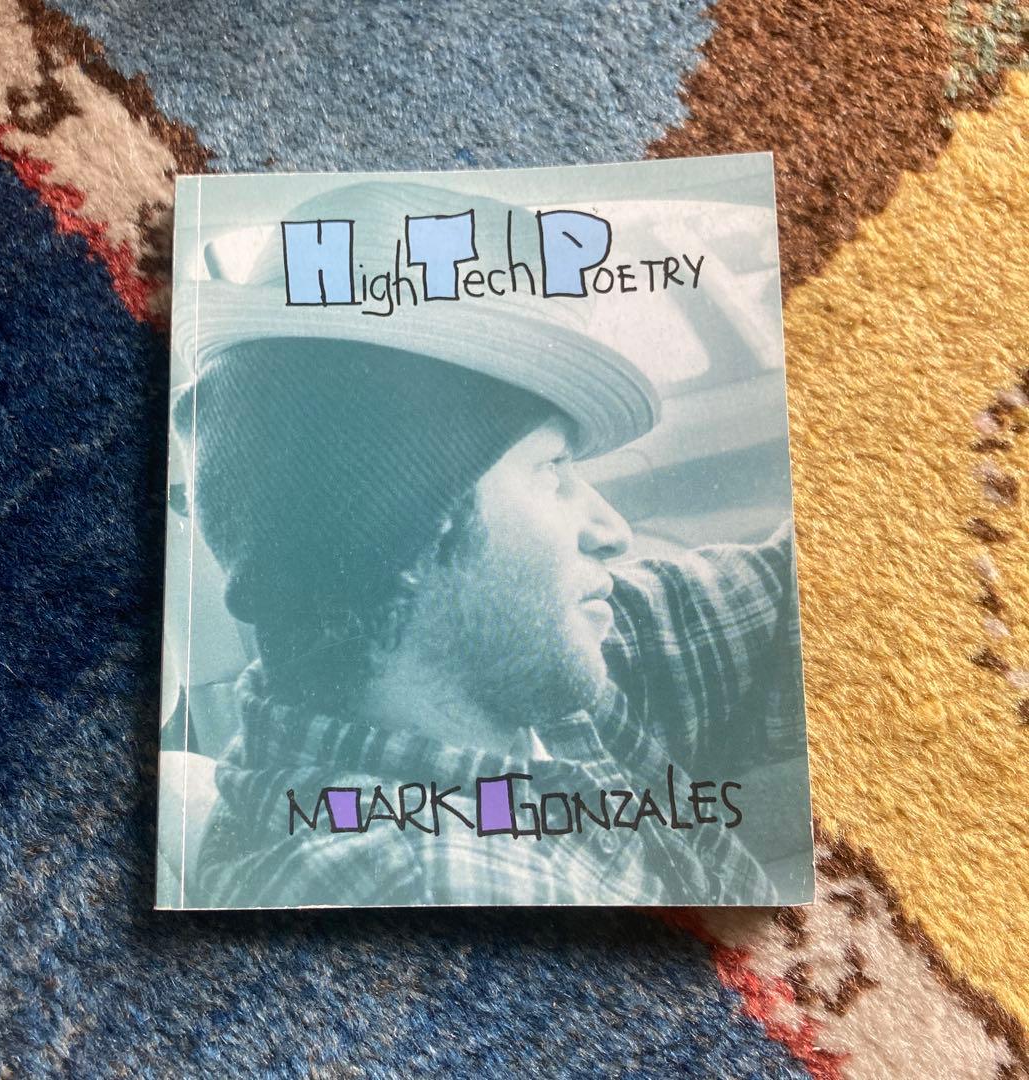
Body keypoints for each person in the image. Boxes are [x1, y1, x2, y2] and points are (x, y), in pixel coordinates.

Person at [170, 182, 806, 907]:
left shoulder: (503, 666)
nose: (611, 531)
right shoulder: (415, 879)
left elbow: (791, 593)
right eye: (552, 470)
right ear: (414, 535)